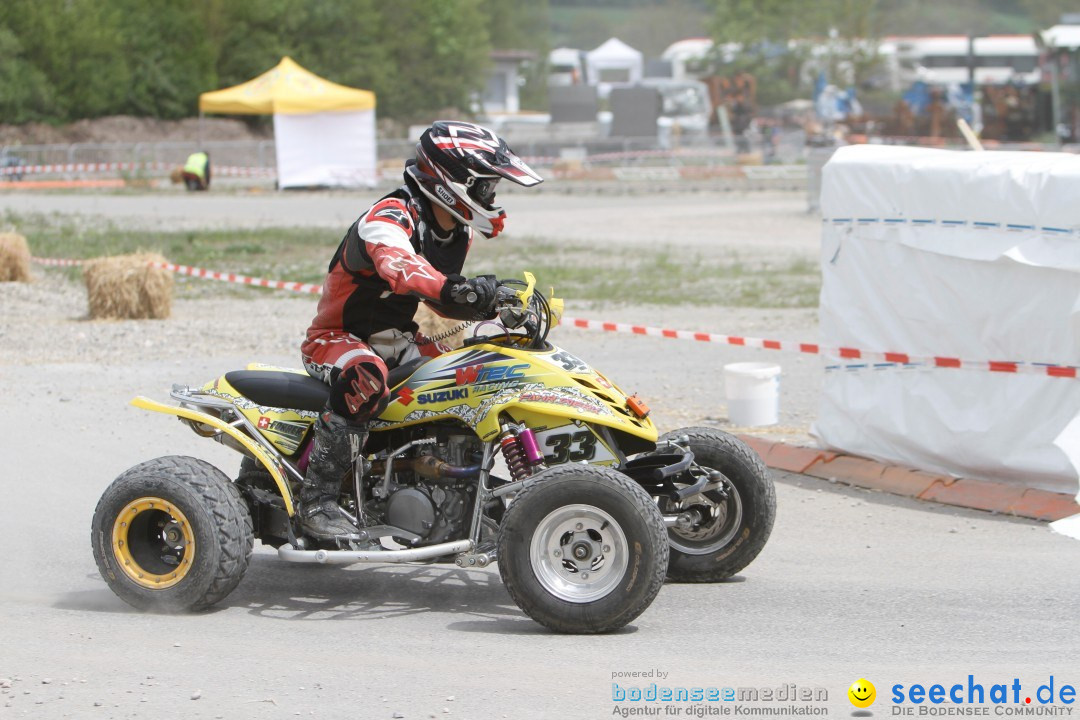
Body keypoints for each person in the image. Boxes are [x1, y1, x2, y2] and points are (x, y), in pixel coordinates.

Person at [298, 121, 543, 540]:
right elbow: (404, 269)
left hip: (399, 342)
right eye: (486, 187)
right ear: (454, 180)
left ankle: (455, 500)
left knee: (470, 376)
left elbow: (440, 299)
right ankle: (316, 502)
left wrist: (496, 303)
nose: (492, 197)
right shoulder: (391, 215)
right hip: (338, 340)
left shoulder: (455, 233)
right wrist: (458, 290)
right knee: (365, 379)